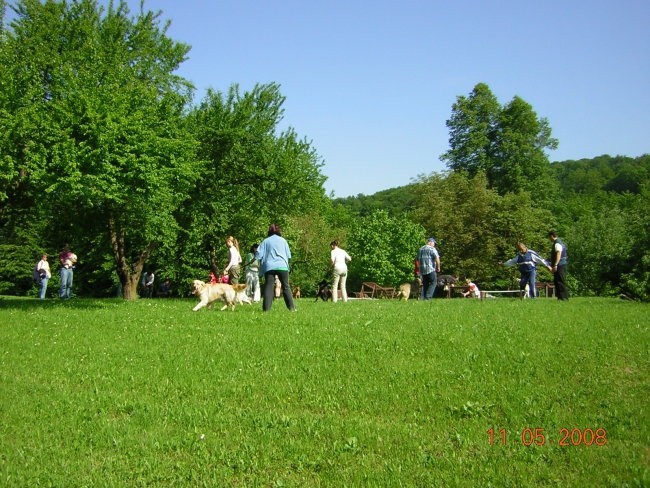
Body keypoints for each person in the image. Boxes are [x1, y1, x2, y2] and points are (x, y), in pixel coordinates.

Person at [256, 223, 296, 312]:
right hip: (282, 265)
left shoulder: (265, 241)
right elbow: (288, 256)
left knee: (269, 286)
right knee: (286, 286)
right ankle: (292, 308)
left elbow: (258, 254)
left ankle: (266, 309)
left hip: (269, 266)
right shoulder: (283, 241)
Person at [548, 231, 569, 300]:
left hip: (560, 265)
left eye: (549, 237)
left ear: (552, 236)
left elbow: (558, 254)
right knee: (557, 281)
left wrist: (556, 264)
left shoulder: (557, 243)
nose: (549, 239)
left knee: (560, 281)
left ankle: (564, 298)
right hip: (560, 264)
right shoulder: (559, 242)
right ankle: (560, 297)